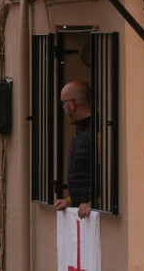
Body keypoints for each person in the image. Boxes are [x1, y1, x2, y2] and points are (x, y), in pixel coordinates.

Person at [53, 81, 94, 218]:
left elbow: (108, 174)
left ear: (72, 104)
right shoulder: (79, 129)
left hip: (95, 216)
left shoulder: (96, 131)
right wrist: (69, 201)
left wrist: (92, 203)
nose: (63, 108)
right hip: (83, 213)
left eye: (63, 103)